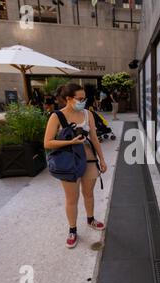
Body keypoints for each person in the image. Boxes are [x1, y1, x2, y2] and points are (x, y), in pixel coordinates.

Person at [44, 83, 108, 249]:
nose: (83, 101)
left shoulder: (88, 114)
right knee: (72, 199)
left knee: (89, 194)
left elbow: (94, 138)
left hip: (89, 159)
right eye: (80, 99)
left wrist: (102, 159)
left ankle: (90, 219)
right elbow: (47, 143)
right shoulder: (57, 116)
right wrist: (70, 142)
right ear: (68, 99)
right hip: (68, 161)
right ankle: (72, 230)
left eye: (84, 98)